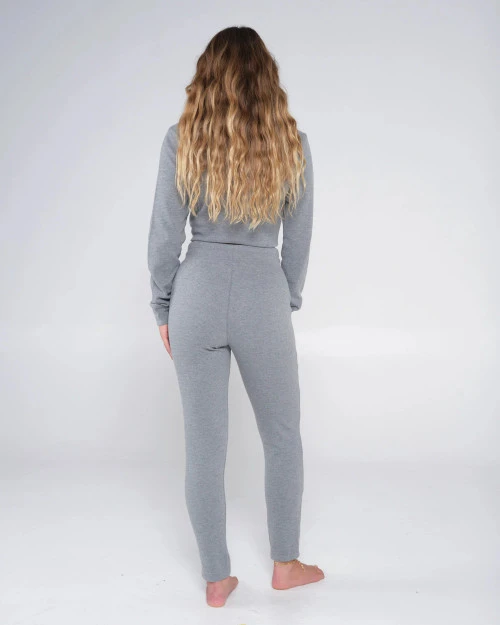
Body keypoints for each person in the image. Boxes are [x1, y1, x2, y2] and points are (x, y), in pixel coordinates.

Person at [147, 25, 324, 607]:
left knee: (204, 448)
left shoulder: (183, 139)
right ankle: (285, 564)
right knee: (283, 436)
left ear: (207, 77)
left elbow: (164, 236)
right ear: (267, 80)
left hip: (196, 295)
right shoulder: (291, 144)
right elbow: (298, 240)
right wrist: (283, 300)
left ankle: (216, 579)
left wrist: (164, 305)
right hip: (261, 293)